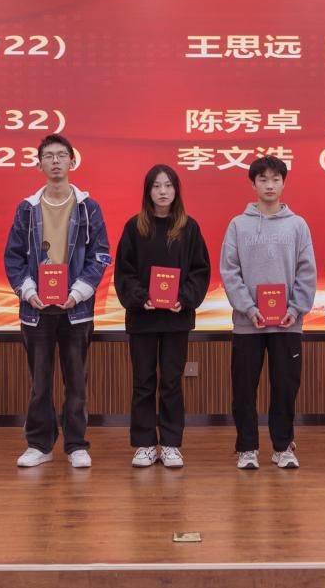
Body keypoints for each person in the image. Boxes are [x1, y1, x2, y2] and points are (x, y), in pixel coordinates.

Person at [4, 134, 111, 468]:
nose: (55, 161)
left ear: (71, 162)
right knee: (40, 383)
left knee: (76, 381)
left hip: (76, 310)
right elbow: (13, 257)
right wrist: (28, 290)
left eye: (61, 155)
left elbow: (101, 255)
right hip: (36, 311)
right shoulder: (27, 208)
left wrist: (78, 292)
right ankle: (40, 444)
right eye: (48, 156)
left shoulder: (88, 207)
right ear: (39, 164)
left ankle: (76, 444)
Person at [219, 155, 316, 470]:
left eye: (276, 179)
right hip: (248, 324)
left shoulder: (298, 225)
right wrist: (248, 309)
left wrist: (295, 309)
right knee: (244, 389)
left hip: (287, 324)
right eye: (263, 179)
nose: (270, 185)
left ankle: (283, 446)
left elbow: (307, 272)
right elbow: (230, 271)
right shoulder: (238, 224)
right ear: (253, 184)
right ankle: (247, 448)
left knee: (286, 388)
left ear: (284, 183)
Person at [114, 165, 211, 468]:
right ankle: (144, 444)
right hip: (142, 318)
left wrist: (185, 298)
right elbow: (124, 272)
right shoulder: (134, 227)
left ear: (176, 190)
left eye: (168, 185)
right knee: (143, 382)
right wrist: (140, 297)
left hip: (175, 319)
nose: (163, 191)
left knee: (171, 382)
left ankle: (170, 444)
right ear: (148, 191)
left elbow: (200, 270)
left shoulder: (189, 228)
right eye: (156, 186)